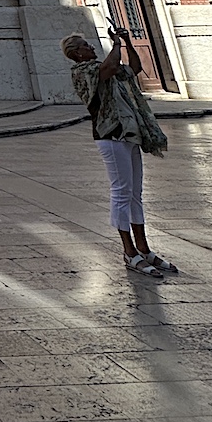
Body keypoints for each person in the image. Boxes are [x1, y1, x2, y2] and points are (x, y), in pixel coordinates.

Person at [63, 26, 175, 278]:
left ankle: (143, 248)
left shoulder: (102, 67)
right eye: (86, 45)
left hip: (129, 132)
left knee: (135, 193)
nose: (91, 47)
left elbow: (133, 68)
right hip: (110, 135)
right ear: (77, 53)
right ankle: (128, 251)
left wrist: (127, 42)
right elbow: (111, 67)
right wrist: (115, 44)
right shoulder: (83, 71)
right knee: (121, 192)